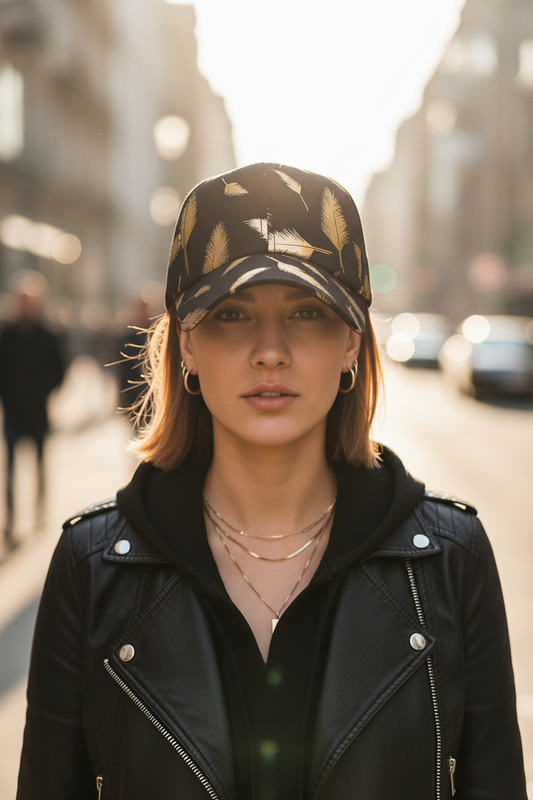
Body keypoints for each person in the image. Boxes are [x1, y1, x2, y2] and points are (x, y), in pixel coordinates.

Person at [17, 163, 527, 799]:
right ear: (186, 346)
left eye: (307, 312)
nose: (270, 351)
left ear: (351, 343)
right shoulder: (90, 568)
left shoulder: (452, 560)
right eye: (231, 314)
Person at [0, 271, 65, 552]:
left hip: (38, 413)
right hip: (13, 413)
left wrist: (42, 392)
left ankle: (40, 517)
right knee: (10, 471)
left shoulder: (48, 335)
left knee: (40, 468)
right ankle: (11, 522)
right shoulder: (6, 335)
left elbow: (59, 371)